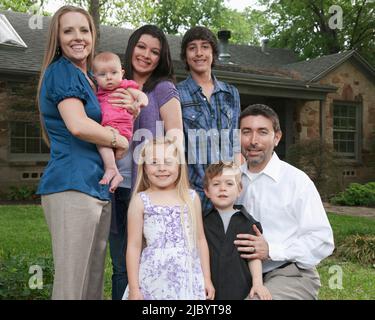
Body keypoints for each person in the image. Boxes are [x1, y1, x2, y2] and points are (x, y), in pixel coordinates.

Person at [36, 6, 132, 300]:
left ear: (93, 35)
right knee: (71, 288)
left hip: (95, 187)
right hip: (70, 185)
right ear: (57, 37)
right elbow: (78, 126)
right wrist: (120, 139)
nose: (78, 37)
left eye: (84, 30)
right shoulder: (63, 72)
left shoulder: (90, 78)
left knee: (91, 286)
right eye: (68, 31)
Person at [108, 25, 183, 300]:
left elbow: (176, 134)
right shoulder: (113, 80)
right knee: (120, 266)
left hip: (146, 190)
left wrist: (174, 179)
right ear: (131, 47)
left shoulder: (163, 88)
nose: (146, 55)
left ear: (161, 58)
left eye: (154, 51)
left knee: (149, 262)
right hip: (114, 186)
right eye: (141, 47)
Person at [234, 104, 335, 300]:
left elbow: (322, 240)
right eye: (246, 132)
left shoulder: (296, 181)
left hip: (291, 272)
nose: (253, 141)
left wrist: (272, 250)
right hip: (243, 273)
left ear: (277, 137)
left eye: (262, 132)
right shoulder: (231, 181)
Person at [123, 138, 215, 300]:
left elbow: (200, 240)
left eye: (168, 162)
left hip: (187, 278)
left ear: (179, 166)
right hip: (153, 279)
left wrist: (206, 278)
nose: (161, 168)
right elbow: (134, 246)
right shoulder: (141, 200)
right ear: (144, 168)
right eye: (154, 162)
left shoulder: (190, 198)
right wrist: (134, 288)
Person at [177, 26, 241, 214]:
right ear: (185, 56)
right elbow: (174, 146)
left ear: (213, 52)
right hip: (193, 192)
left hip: (227, 192)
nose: (199, 53)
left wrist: (236, 181)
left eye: (205, 47)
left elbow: (235, 141)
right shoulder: (176, 93)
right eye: (192, 47)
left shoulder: (231, 93)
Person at [203, 161, 272, 300]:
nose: (223, 188)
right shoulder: (202, 222)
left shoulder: (248, 223)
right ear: (207, 191)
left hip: (240, 288)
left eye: (229, 184)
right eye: (216, 184)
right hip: (210, 290)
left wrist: (258, 283)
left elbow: (253, 256)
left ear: (239, 189)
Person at [92, 51, 148, 192]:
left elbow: (142, 96)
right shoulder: (97, 93)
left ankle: (111, 169)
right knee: (104, 146)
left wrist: (139, 103)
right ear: (95, 76)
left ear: (122, 73)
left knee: (101, 139)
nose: (109, 78)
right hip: (110, 128)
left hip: (120, 127)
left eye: (114, 73)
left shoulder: (125, 87)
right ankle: (115, 174)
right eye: (103, 74)